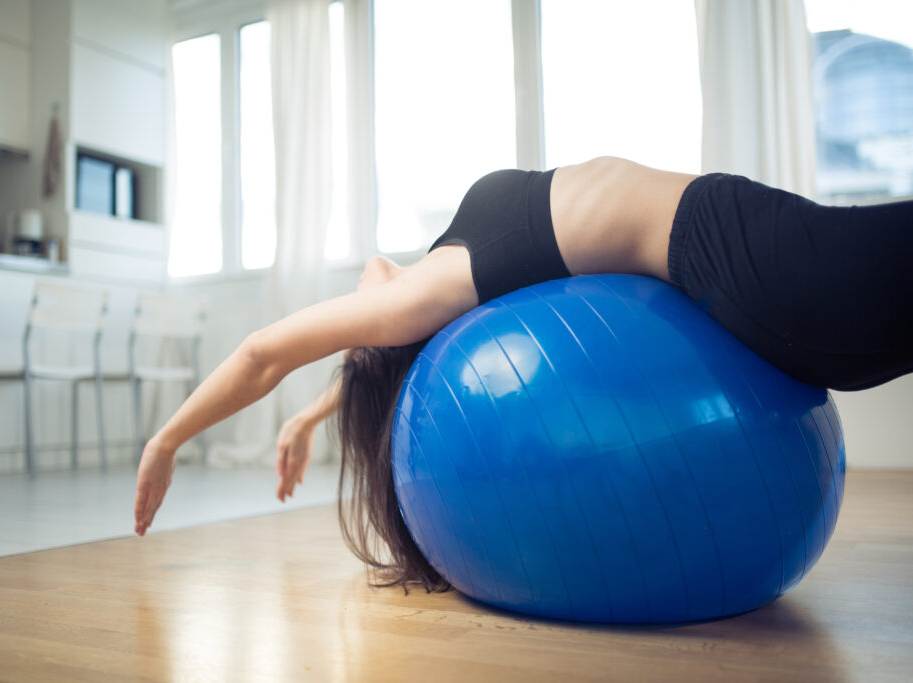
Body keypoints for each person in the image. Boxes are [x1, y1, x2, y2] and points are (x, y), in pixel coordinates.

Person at [134, 156, 913, 591]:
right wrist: (169, 438)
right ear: (379, 343)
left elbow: (355, 364)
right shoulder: (422, 300)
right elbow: (264, 352)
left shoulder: (437, 280)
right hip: (742, 267)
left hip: (733, 244)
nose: (352, 315)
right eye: (355, 340)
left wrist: (307, 418)